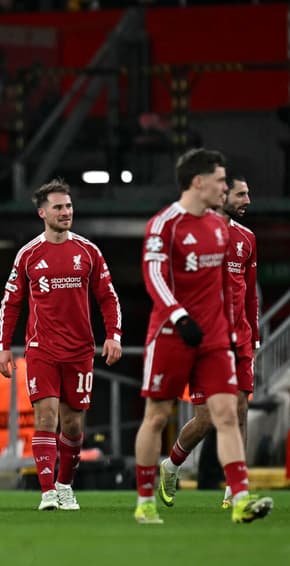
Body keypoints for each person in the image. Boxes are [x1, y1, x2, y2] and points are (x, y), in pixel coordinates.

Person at [134, 148, 272, 524]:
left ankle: (239, 498)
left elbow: (230, 289)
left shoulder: (220, 229)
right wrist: (179, 317)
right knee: (157, 416)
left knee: (228, 412)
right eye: (221, 182)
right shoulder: (165, 224)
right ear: (199, 182)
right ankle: (145, 500)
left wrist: (234, 332)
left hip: (215, 339)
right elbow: (154, 277)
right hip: (171, 334)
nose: (225, 189)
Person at [0, 179, 122, 511]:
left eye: (68, 206)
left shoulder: (88, 252)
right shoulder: (29, 254)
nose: (66, 212)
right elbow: (11, 303)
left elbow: (108, 298)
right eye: (58, 207)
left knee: (73, 425)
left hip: (80, 351)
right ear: (42, 213)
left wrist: (114, 335)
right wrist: (3, 346)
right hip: (42, 349)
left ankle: (65, 485)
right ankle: (48, 491)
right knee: (46, 416)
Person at [157, 172, 260, 509]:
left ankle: (236, 489)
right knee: (207, 418)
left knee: (240, 409)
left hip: (240, 338)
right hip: (204, 339)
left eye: (248, 195)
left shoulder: (247, 239)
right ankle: (171, 465)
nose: (247, 202)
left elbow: (250, 296)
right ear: (222, 194)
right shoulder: (192, 235)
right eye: (241, 195)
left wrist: (254, 339)